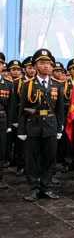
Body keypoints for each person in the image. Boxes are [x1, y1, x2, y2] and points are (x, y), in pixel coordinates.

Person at [19, 49, 64, 202]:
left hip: (50, 126)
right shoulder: (28, 85)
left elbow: (59, 110)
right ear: (36, 65)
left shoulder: (57, 85)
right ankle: (33, 188)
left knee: (49, 158)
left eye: (48, 63)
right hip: (33, 125)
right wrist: (21, 129)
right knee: (32, 159)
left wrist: (59, 128)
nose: (46, 66)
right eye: (42, 63)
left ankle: (47, 187)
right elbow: (22, 109)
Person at [0, 53, 14, 189]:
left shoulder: (7, 84)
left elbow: (10, 106)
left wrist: (9, 124)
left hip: (1, 119)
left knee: (1, 150)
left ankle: (0, 179)